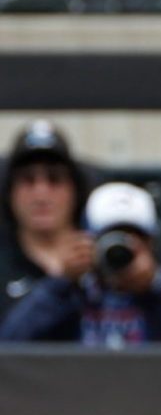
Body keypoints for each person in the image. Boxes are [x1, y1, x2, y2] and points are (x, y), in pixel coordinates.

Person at [0, 182, 161, 347]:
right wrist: (61, 283)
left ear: (150, 244)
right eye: (110, 237)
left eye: (132, 239)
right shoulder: (68, 298)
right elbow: (11, 346)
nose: (120, 251)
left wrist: (157, 288)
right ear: (87, 240)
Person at [0, 120, 92, 323]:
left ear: (75, 190)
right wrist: (62, 283)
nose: (41, 194)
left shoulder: (101, 258)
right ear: (9, 192)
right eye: (28, 180)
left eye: (55, 179)